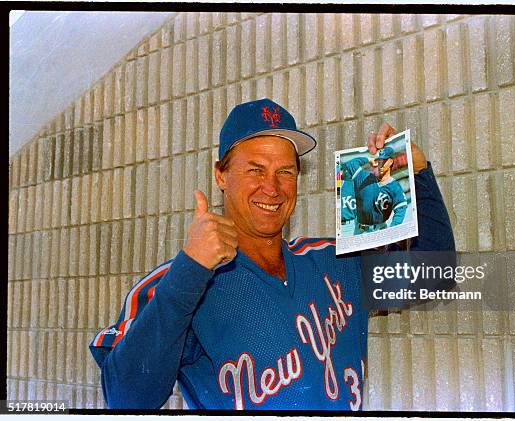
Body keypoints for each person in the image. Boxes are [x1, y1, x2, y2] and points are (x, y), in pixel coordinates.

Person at [89, 98, 455, 410]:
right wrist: (189, 270)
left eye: (285, 171)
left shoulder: (334, 260)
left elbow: (434, 276)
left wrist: (418, 174)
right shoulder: (175, 283)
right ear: (221, 175)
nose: (272, 187)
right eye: (255, 170)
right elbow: (126, 400)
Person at [341, 146, 408, 235]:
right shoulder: (364, 178)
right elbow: (350, 165)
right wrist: (368, 159)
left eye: (384, 161)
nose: (381, 164)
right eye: (380, 161)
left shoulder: (395, 187)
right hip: (360, 230)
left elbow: (401, 208)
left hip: (380, 230)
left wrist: (392, 231)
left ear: (391, 161)